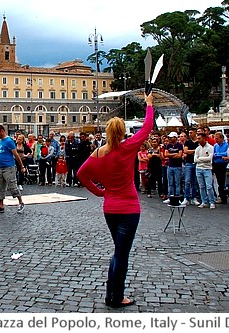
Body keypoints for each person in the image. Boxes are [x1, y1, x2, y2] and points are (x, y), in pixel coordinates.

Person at [76, 92, 154, 309]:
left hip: (110, 207)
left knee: (118, 252)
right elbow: (147, 128)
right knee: (121, 254)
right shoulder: (128, 147)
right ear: (122, 133)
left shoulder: (98, 154)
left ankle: (112, 293)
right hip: (129, 208)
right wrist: (148, 105)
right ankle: (116, 297)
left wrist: (100, 191)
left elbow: (81, 174)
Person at [0, 124, 26, 213]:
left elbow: (16, 154)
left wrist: (21, 166)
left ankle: (21, 202)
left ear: (2, 131)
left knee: (13, 186)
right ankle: (1, 206)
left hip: (9, 167)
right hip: (0, 167)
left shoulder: (9, 141)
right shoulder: (1, 142)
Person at [194, 132, 215, 209]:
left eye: (199, 138)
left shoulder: (210, 147)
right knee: (201, 186)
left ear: (204, 138)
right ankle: (204, 201)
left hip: (207, 168)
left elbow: (209, 158)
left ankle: (211, 201)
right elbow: (195, 159)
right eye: (197, 138)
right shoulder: (197, 148)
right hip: (199, 168)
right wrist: (202, 159)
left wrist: (200, 158)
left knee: (209, 186)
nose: (198, 140)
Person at [163, 131, 183, 204]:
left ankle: (177, 197)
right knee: (170, 182)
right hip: (170, 166)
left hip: (178, 166)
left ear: (175, 138)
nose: (170, 139)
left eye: (171, 137)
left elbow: (180, 155)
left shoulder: (180, 145)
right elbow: (166, 154)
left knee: (177, 183)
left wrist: (170, 154)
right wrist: (174, 154)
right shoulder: (168, 145)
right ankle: (170, 196)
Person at [212, 132, 229, 204]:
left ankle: (226, 196)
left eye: (217, 138)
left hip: (224, 164)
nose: (216, 140)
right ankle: (222, 197)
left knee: (225, 181)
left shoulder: (227, 145)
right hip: (217, 165)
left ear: (222, 138)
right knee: (219, 182)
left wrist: (218, 154)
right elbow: (213, 154)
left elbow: (226, 153)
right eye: (215, 138)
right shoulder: (215, 146)